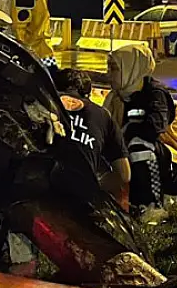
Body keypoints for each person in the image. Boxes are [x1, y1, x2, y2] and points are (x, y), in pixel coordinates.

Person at [102, 44, 177, 224]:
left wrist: (124, 133)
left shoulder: (155, 94)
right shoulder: (116, 97)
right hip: (147, 159)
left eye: (114, 68)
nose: (108, 74)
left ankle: (154, 207)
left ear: (131, 68)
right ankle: (133, 204)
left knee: (138, 143)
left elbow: (154, 128)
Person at [52, 68, 130, 207]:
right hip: (81, 201)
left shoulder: (44, 103)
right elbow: (124, 175)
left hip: (39, 192)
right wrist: (92, 184)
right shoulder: (103, 116)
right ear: (88, 95)